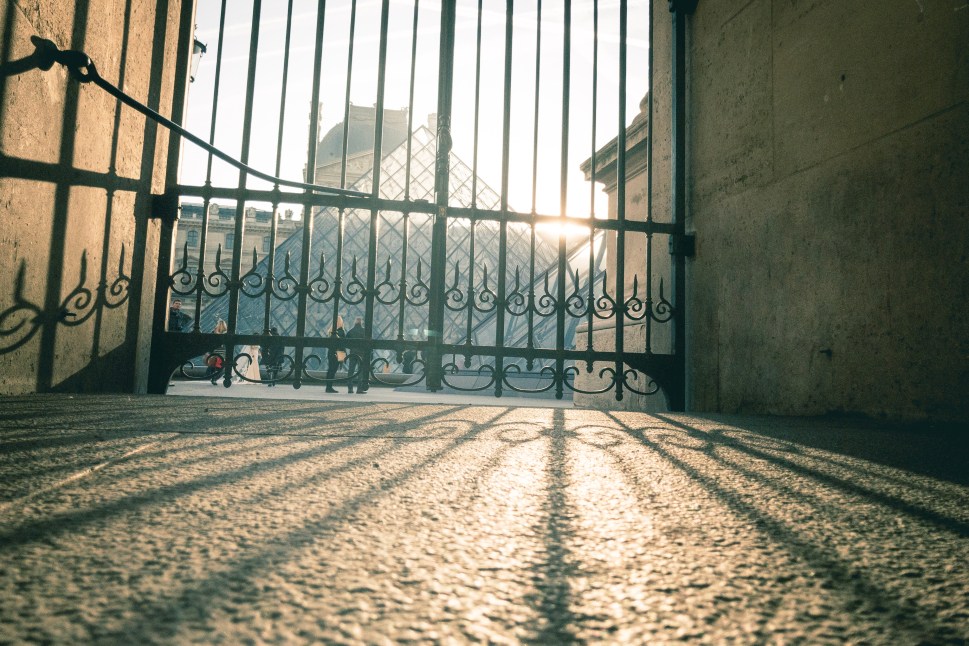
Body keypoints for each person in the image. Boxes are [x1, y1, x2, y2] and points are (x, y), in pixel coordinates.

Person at [345, 316, 368, 394]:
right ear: (362, 322)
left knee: (351, 371)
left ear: (355, 322)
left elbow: (346, 342)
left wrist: (351, 348)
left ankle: (350, 388)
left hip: (353, 353)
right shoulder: (364, 331)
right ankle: (359, 389)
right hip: (361, 353)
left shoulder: (350, 331)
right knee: (360, 371)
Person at [324, 316, 345, 393]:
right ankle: (329, 387)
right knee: (333, 370)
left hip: (330, 353)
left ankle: (328, 386)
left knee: (330, 370)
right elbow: (342, 346)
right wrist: (342, 358)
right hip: (338, 353)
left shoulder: (330, 331)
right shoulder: (341, 331)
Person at [204, 319, 228, 384]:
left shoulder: (213, 333)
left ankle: (210, 376)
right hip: (222, 353)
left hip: (215, 353)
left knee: (213, 366)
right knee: (221, 368)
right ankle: (214, 378)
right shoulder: (226, 334)